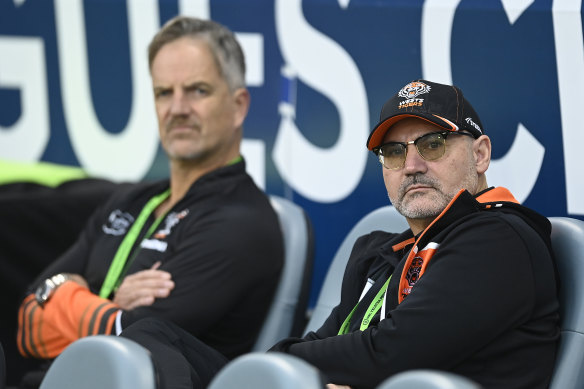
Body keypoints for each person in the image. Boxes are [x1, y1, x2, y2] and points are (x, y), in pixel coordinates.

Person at [120, 79, 559, 389]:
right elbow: (328, 343)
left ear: (480, 153)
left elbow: (392, 353)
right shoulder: (384, 252)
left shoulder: (499, 239)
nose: (412, 165)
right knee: (155, 335)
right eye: (393, 152)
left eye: (432, 144)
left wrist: (284, 363)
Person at [16, 15, 284, 385]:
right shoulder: (128, 200)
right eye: (164, 92)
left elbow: (136, 337)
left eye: (197, 90)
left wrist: (72, 295)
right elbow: (29, 316)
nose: (177, 108)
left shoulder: (241, 221)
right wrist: (108, 302)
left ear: (238, 106)